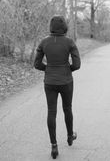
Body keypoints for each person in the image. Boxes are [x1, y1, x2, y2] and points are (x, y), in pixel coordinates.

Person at [34, 15, 81, 159]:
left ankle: (54, 146)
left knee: (51, 112)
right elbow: (77, 64)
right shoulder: (69, 42)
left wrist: (48, 69)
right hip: (66, 81)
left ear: (51, 27)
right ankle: (69, 136)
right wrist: (67, 69)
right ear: (64, 27)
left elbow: (37, 64)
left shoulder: (44, 42)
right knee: (67, 108)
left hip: (50, 82)